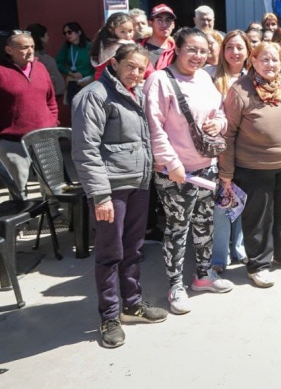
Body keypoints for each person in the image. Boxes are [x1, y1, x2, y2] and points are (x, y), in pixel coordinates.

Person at [71, 43, 168, 348]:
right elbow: (86, 150)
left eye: (142, 69)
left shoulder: (135, 93)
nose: (137, 74)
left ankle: (132, 304)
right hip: (110, 188)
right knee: (110, 253)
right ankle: (110, 315)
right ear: (115, 63)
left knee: (133, 248)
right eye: (131, 67)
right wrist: (100, 196)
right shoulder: (94, 96)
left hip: (138, 183)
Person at [143, 27, 234, 315]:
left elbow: (219, 113)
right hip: (177, 173)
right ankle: (175, 285)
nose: (198, 56)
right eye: (192, 49)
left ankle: (203, 275)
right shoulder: (159, 80)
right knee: (177, 228)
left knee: (204, 224)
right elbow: (153, 127)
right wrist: (172, 163)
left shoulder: (206, 78)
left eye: (204, 50)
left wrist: (217, 125)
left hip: (206, 167)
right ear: (177, 50)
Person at [219, 41, 281, 288]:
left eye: (274, 60)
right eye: (264, 59)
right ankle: (258, 264)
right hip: (254, 167)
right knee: (258, 218)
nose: (269, 64)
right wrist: (227, 172)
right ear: (253, 61)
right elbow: (228, 135)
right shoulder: (239, 91)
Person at [205, 30, 252, 273]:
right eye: (230, 47)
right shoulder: (209, 75)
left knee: (241, 200)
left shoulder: (253, 77)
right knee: (222, 202)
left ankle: (240, 248)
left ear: (248, 52)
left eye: (240, 48)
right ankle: (220, 257)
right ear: (223, 51)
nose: (235, 52)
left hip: (246, 148)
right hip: (218, 148)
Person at [0, 30, 58, 198]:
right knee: (19, 189)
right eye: (24, 47)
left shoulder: (40, 68)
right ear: (10, 50)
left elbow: (51, 100)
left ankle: (54, 216)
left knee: (52, 184)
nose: (30, 51)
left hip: (44, 137)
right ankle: (22, 221)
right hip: (13, 141)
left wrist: (52, 122)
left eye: (32, 46)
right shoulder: (2, 71)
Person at [56, 21, 95, 103]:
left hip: (89, 83)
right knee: (74, 110)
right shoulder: (67, 47)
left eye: (69, 32)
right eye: (65, 33)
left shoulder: (90, 47)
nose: (67, 35)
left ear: (79, 32)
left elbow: (99, 66)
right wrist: (70, 73)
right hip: (73, 83)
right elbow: (58, 63)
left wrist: (91, 79)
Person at [25, 23, 65, 103]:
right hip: (47, 94)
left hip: (55, 92)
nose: (48, 37)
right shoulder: (34, 57)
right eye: (46, 35)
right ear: (41, 37)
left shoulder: (42, 54)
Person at [89, 12, 135, 79]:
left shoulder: (103, 42)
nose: (128, 35)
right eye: (123, 32)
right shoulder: (125, 46)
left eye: (130, 31)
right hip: (117, 81)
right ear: (111, 30)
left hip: (102, 78)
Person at [142, 5, 176, 69]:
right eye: (159, 20)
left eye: (168, 20)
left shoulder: (177, 52)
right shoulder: (137, 47)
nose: (164, 25)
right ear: (150, 23)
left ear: (173, 25)